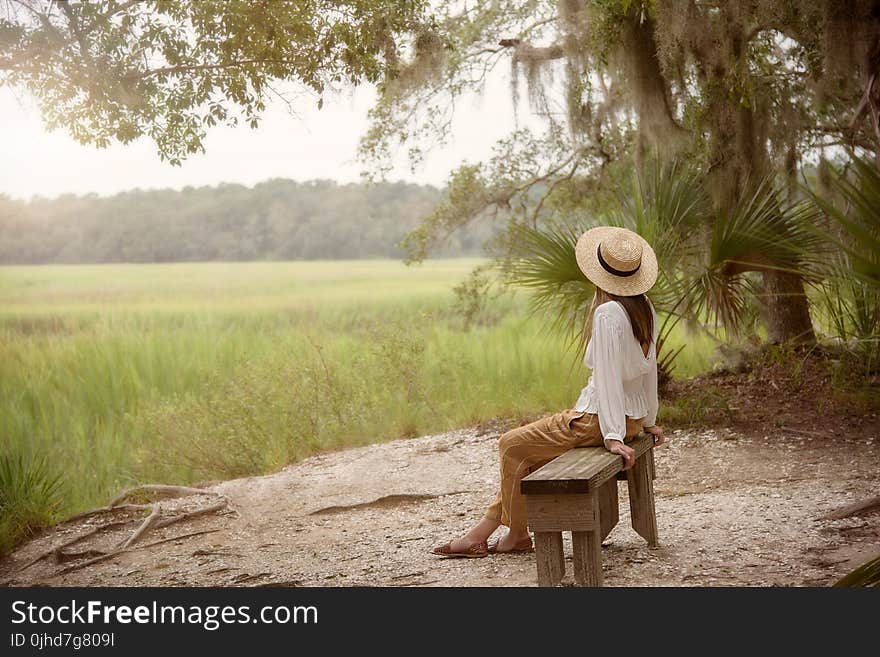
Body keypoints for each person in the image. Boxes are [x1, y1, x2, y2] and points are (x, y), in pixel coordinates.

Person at [432, 226, 667, 558]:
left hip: (597, 419)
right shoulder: (644, 308)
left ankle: (514, 536)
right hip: (628, 419)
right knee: (525, 455)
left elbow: (611, 380)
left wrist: (613, 435)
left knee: (510, 444)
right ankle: (485, 533)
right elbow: (648, 373)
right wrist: (647, 421)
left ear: (598, 275)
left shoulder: (607, 314)